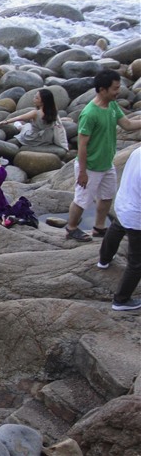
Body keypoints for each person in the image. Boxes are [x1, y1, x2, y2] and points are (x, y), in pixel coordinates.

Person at [66, 70, 141, 242]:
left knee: (107, 197)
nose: (118, 92)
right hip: (91, 166)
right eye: (115, 88)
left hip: (107, 163)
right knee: (81, 200)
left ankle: (99, 227)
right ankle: (71, 228)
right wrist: (83, 172)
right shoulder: (89, 113)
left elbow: (127, 124)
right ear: (102, 89)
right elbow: (82, 145)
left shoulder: (112, 105)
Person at [98, 146, 141, 311]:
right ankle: (121, 300)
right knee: (136, 262)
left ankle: (104, 259)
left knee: (116, 227)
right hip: (136, 214)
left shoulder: (138, 151)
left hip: (124, 202)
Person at [1, 89, 67, 149]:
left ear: (42, 102)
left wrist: (6, 121)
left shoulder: (35, 113)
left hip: (35, 138)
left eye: (36, 98)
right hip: (48, 138)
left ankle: (20, 127)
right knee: (28, 124)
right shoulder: (53, 110)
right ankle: (22, 126)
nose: (34, 99)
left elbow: (19, 117)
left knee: (25, 126)